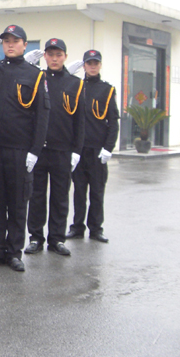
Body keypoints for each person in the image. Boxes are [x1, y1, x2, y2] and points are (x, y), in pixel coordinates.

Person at [0, 25, 50, 272]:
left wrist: (35, 150)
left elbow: (42, 116)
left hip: (20, 151)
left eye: (15, 41)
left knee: (18, 204)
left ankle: (14, 252)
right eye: (6, 40)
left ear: (25, 45)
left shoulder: (35, 75)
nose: (10, 44)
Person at [24, 39, 85, 257]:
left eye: (59, 55)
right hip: (39, 150)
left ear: (65, 57)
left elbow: (80, 120)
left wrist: (77, 150)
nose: (54, 59)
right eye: (50, 55)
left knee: (60, 196)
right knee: (36, 196)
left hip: (63, 150)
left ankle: (57, 238)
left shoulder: (75, 84)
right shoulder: (38, 79)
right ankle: (35, 237)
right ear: (45, 57)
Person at [67, 50, 119, 243]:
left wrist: (108, 147)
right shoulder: (77, 87)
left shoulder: (107, 90)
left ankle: (96, 229)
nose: (92, 66)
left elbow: (113, 122)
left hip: (97, 150)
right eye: (89, 63)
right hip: (79, 150)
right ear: (84, 66)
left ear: (100, 65)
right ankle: (77, 227)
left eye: (95, 63)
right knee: (79, 191)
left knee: (97, 192)